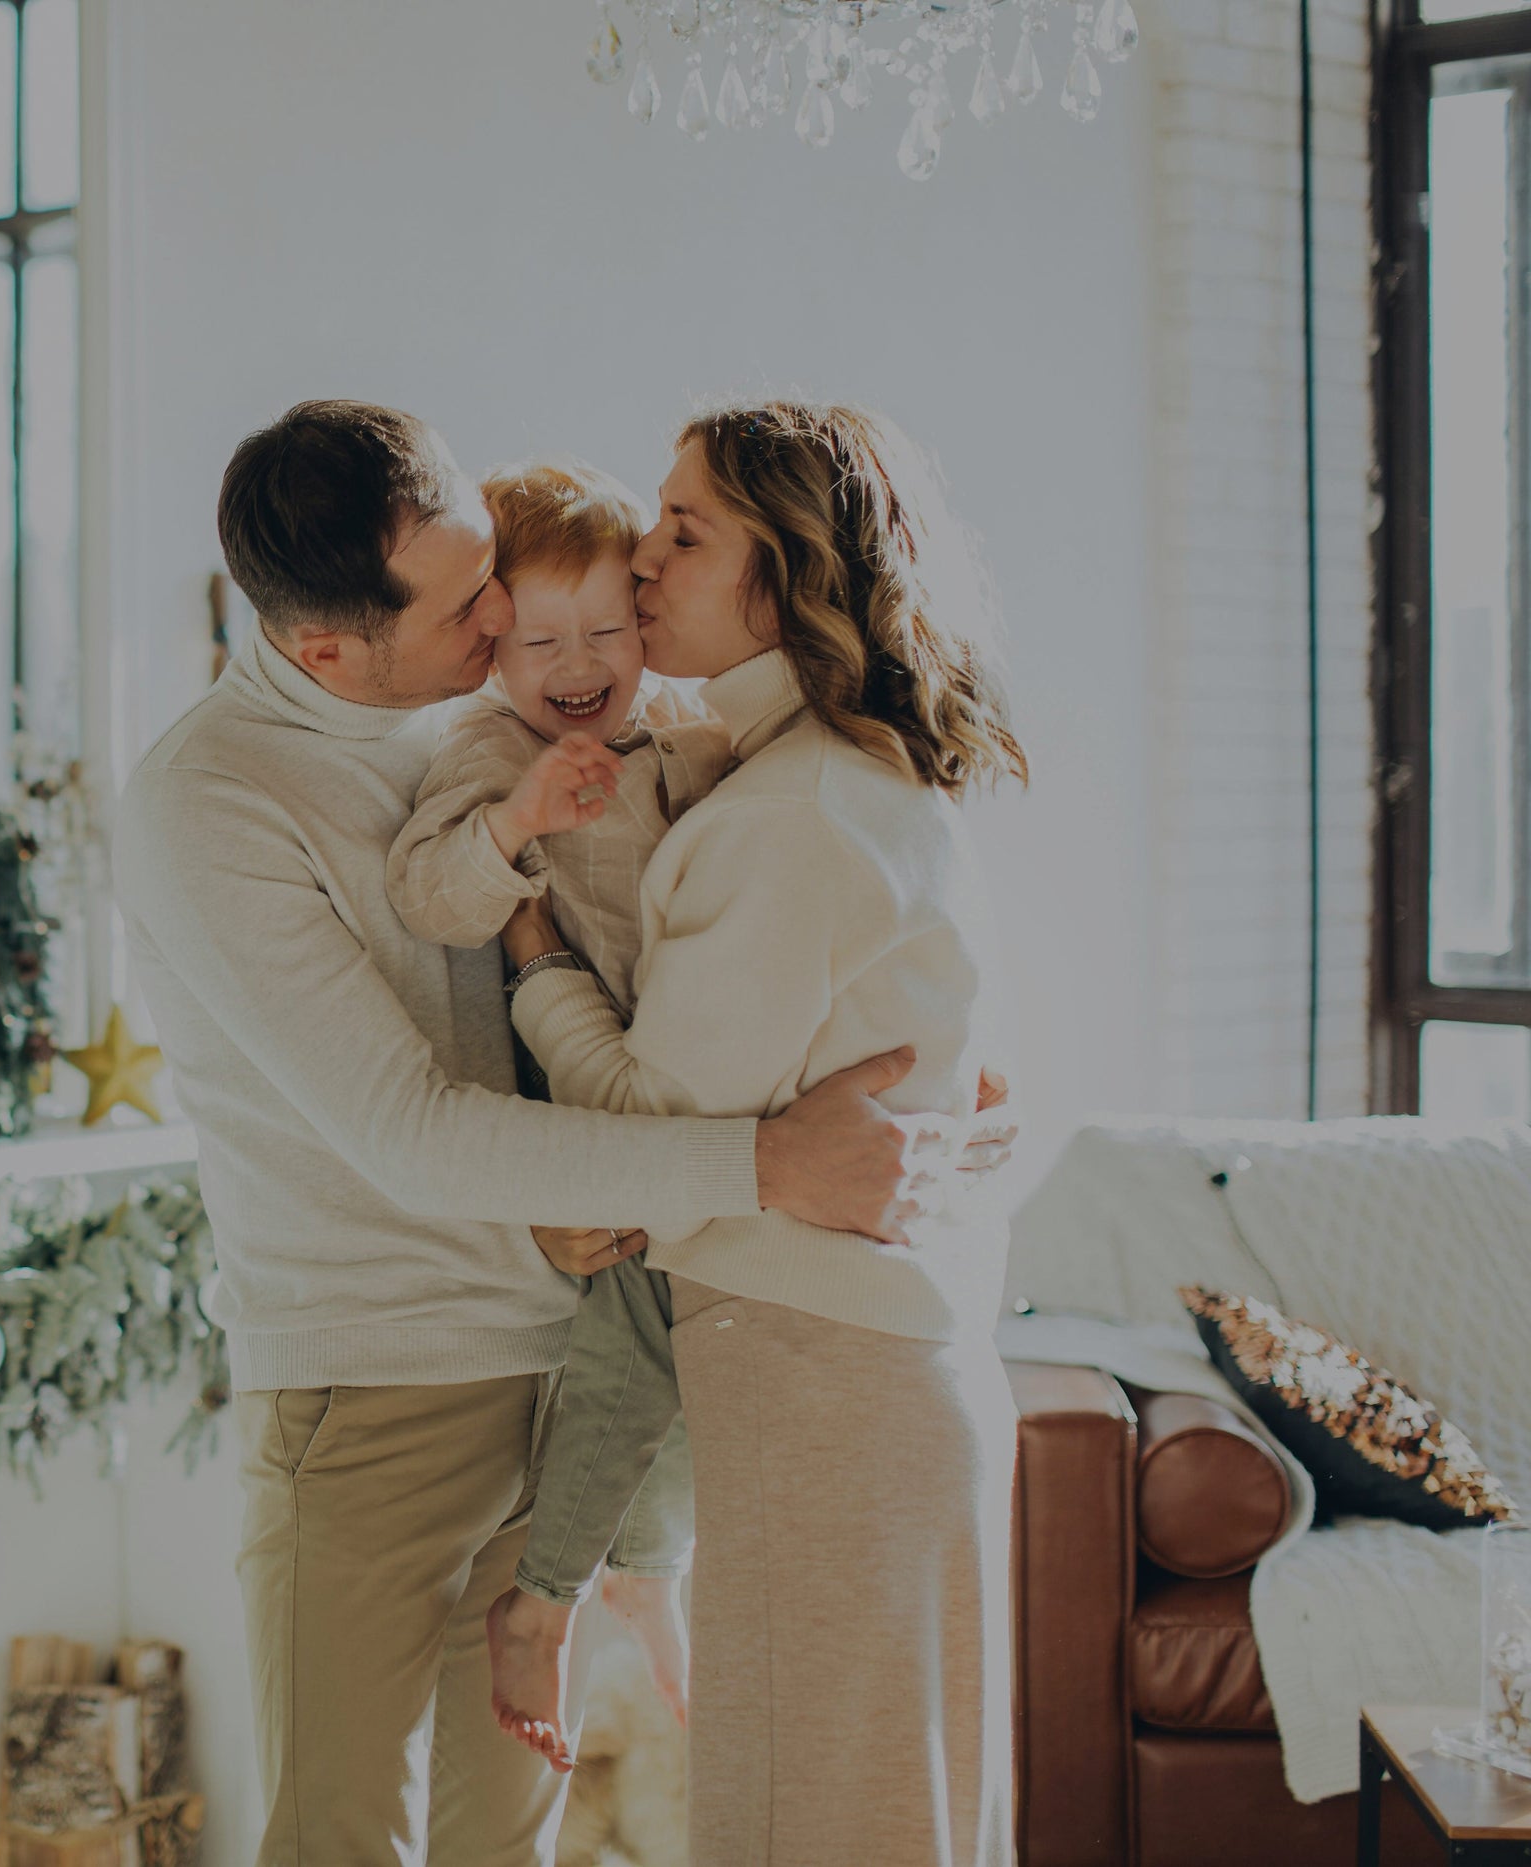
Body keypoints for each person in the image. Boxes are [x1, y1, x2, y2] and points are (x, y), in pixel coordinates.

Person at [110, 400, 994, 1867]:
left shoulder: (482, 711)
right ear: (329, 649)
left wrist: (933, 1091)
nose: (509, 615)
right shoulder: (212, 801)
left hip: (568, 1339)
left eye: (493, 575)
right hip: (379, 1382)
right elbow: (410, 1131)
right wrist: (766, 1165)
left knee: (505, 1845)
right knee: (343, 1836)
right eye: (471, 606)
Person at [499, 401, 1028, 1867]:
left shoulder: (794, 816)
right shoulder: (846, 783)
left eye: (686, 530)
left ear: (788, 572)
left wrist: (539, 964)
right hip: (872, 1385)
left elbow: (647, 1148)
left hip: (822, 1389)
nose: (641, 561)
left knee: (816, 1828)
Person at [384, 459, 729, 1756]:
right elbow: (430, 899)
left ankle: (643, 1567)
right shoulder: (487, 746)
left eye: (607, 632)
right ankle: (554, 1597)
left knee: (698, 1340)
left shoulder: (681, 724)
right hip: (586, 1091)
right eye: (540, 641)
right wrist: (521, 819)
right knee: (641, 1338)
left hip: (676, 1074)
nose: (579, 665)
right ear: (493, 648)